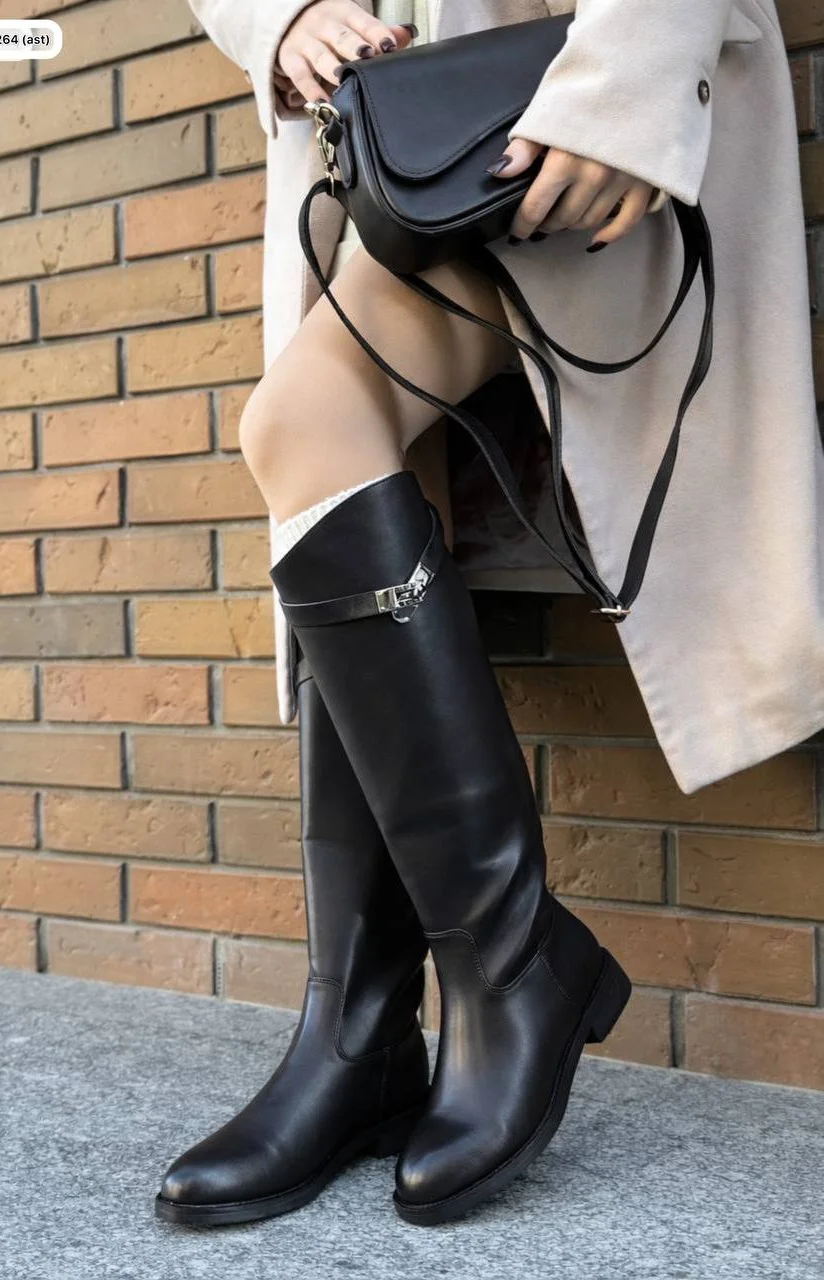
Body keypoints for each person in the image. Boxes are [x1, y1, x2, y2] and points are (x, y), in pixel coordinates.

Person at [155, 0, 824, 1229]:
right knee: (337, 466)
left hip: (572, 108)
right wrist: (278, 17)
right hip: (395, 140)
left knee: (307, 426)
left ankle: (497, 974)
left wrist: (634, 76)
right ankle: (368, 1025)